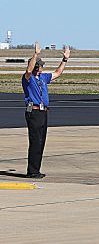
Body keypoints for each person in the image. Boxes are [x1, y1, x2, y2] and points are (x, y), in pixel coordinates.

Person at [22, 41, 70, 178]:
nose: (41, 68)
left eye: (41, 66)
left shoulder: (43, 77)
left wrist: (65, 59)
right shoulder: (28, 78)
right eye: (39, 66)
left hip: (43, 112)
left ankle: (36, 169)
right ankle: (32, 171)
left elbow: (58, 73)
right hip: (34, 112)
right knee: (35, 141)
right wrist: (35, 54)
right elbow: (29, 70)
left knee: (41, 141)